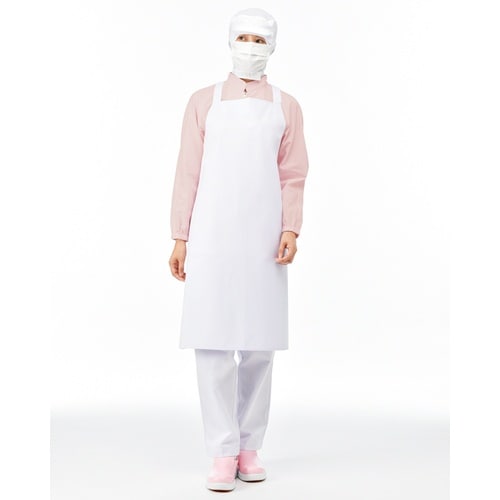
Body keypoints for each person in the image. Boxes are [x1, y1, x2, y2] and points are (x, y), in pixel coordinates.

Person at [168, 7, 309, 492]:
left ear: (272, 46)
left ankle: (250, 446)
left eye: (259, 39)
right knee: (211, 343)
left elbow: (293, 173)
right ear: (230, 42)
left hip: (263, 238)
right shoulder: (203, 102)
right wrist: (180, 235)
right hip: (212, 236)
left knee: (258, 346)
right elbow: (188, 170)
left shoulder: (287, 106)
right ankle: (222, 450)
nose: (250, 47)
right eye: (243, 38)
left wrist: (291, 228)